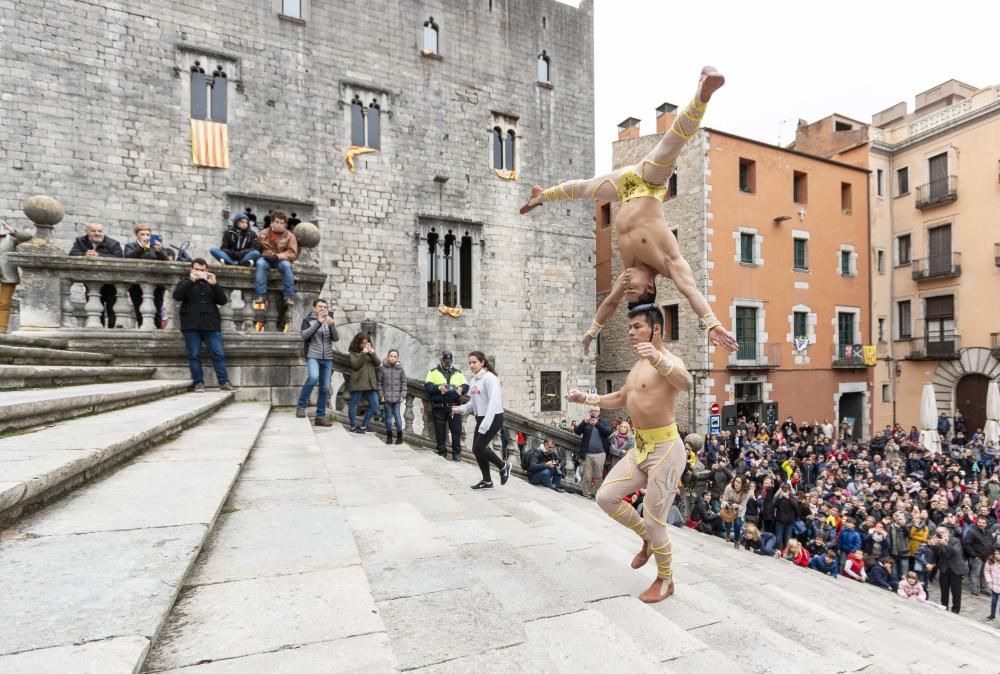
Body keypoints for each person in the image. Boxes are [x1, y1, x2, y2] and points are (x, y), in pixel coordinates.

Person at [521, 66, 738, 357]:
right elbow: (691, 291)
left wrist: (591, 333)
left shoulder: (627, 273)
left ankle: (540, 197)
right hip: (649, 182)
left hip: (624, 190)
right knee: (673, 141)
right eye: (633, 289)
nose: (626, 286)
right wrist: (712, 324)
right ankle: (703, 91)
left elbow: (609, 305)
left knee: (585, 188)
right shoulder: (668, 261)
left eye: (628, 291)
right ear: (650, 285)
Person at [567, 302, 693, 603]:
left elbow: (686, 383)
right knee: (605, 497)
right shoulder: (637, 364)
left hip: (666, 450)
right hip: (640, 447)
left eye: (637, 327)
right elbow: (622, 397)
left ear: (656, 329)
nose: (630, 332)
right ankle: (647, 539)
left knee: (654, 520)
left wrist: (660, 361)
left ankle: (666, 579)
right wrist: (586, 397)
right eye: (630, 327)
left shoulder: (668, 359)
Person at [172, 258, 234, 392]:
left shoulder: (211, 284)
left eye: (202, 270)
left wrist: (215, 284)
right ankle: (198, 383)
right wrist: (190, 281)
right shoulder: (185, 282)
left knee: (218, 354)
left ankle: (224, 382)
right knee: (194, 354)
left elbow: (222, 301)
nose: (199, 272)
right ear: (191, 269)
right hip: (191, 325)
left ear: (207, 271)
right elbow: (177, 296)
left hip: (211, 325)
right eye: (197, 270)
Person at [452, 351, 511, 489]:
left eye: (474, 362)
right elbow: (474, 403)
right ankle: (487, 481)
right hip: (481, 417)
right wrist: (460, 409)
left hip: (493, 417)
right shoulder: (473, 380)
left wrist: (484, 425)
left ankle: (504, 466)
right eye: (470, 363)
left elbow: (493, 404)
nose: (471, 365)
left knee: (479, 447)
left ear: (482, 363)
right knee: (476, 449)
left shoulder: (490, 379)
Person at [69, 222, 123, 327]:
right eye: (93, 231)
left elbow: (119, 257)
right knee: (95, 311)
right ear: (87, 232)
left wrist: (99, 255)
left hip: (111, 283)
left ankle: (112, 333)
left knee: (112, 310)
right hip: (91, 282)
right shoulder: (80, 241)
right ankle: (99, 331)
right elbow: (72, 254)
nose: (97, 233)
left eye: (100, 231)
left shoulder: (113, 243)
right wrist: (85, 254)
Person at [296, 298, 339, 427]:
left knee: (325, 387)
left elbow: (336, 338)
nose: (323, 309)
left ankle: (320, 417)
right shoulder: (308, 321)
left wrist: (331, 326)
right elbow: (304, 335)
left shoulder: (330, 320)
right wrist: (318, 323)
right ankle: (301, 406)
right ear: (314, 308)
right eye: (320, 306)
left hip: (327, 358)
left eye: (325, 307)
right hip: (313, 355)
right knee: (313, 378)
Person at [424, 352, 468, 460]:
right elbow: (428, 387)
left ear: (452, 361)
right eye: (445, 362)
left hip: (454, 407)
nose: (447, 364)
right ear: (441, 360)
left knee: (456, 431)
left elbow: (466, 386)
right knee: (440, 432)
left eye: (449, 362)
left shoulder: (458, 372)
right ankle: (442, 453)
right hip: (439, 406)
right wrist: (439, 388)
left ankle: (456, 454)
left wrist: (462, 389)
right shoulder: (432, 372)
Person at [124, 223, 168, 329]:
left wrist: (160, 251)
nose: (145, 236)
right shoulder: (130, 246)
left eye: (148, 234)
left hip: (156, 285)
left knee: (157, 312)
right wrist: (141, 247)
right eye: (142, 234)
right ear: (137, 235)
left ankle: (158, 335)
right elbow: (128, 257)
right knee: (140, 311)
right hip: (137, 285)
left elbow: (166, 262)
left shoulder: (155, 247)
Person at [253, 211, 298, 307]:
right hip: (266, 258)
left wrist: (278, 256)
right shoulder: (262, 233)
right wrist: (264, 255)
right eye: (277, 222)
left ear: (285, 225)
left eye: (282, 223)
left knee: (286, 266)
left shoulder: (290, 236)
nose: (279, 225)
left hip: (281, 260)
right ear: (272, 222)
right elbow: (256, 248)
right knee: (260, 264)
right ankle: (260, 295)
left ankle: (289, 296)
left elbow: (292, 253)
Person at [0, 219, 33, 333]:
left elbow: (29, 238)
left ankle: (2, 329)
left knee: (4, 302)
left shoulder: (11, 237)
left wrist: (12, 231)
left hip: (7, 274)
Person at [574, 405, 612, 499]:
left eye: (595, 411)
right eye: (592, 411)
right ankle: (587, 494)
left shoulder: (603, 422)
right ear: (589, 412)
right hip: (587, 454)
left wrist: (597, 424)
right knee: (587, 476)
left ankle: (598, 494)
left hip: (600, 453)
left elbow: (608, 432)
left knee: (598, 476)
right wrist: (583, 422)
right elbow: (577, 431)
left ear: (599, 413)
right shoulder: (586, 422)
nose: (593, 412)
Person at [928, 526, 968, 614]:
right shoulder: (937, 542)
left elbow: (955, 552)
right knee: (944, 590)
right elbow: (937, 556)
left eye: (942, 532)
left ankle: (955, 610)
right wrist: (933, 546)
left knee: (956, 591)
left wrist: (945, 544)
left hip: (956, 569)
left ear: (947, 533)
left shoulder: (955, 540)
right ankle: (944, 607)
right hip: (944, 569)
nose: (940, 534)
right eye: (938, 532)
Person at [347, 332, 380, 433]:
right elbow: (356, 365)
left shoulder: (370, 353)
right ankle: (353, 427)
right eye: (362, 343)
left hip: (370, 383)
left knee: (375, 404)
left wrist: (373, 353)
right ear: (357, 343)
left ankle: (364, 426)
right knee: (353, 404)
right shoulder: (353, 353)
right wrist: (363, 353)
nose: (364, 345)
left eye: (366, 343)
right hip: (358, 383)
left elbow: (378, 363)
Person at [378, 349, 407, 444]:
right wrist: (381, 395)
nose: (392, 358)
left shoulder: (401, 369)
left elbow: (404, 383)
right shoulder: (382, 369)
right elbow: (379, 383)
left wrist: (403, 395)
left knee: (398, 417)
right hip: (386, 398)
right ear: (388, 356)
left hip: (397, 398)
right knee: (388, 418)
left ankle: (399, 436)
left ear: (397, 358)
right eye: (391, 356)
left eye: (395, 356)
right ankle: (389, 436)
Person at [721, 475, 754, 548]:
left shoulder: (747, 492)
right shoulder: (729, 487)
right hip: (729, 507)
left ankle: (736, 540)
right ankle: (727, 532)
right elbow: (724, 500)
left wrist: (737, 506)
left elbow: (743, 505)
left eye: (739, 482)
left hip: (739, 509)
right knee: (727, 521)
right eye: (736, 481)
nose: (736, 483)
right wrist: (727, 505)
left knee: (737, 524)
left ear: (743, 484)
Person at [963, 516, 992, 597]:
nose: (981, 524)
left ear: (986, 524)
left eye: (983, 523)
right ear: (977, 522)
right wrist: (974, 555)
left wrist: (990, 554)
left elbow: (991, 543)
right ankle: (975, 589)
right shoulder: (972, 532)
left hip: (986, 557)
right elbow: (966, 544)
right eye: (980, 522)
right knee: (975, 573)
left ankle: (984, 588)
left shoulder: (989, 533)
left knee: (984, 573)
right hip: (977, 557)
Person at [984, 549, 1000, 621]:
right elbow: (986, 571)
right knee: (993, 601)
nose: (996, 555)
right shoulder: (990, 560)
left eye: (998, 554)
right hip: (994, 585)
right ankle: (992, 615)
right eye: (995, 554)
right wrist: (989, 581)